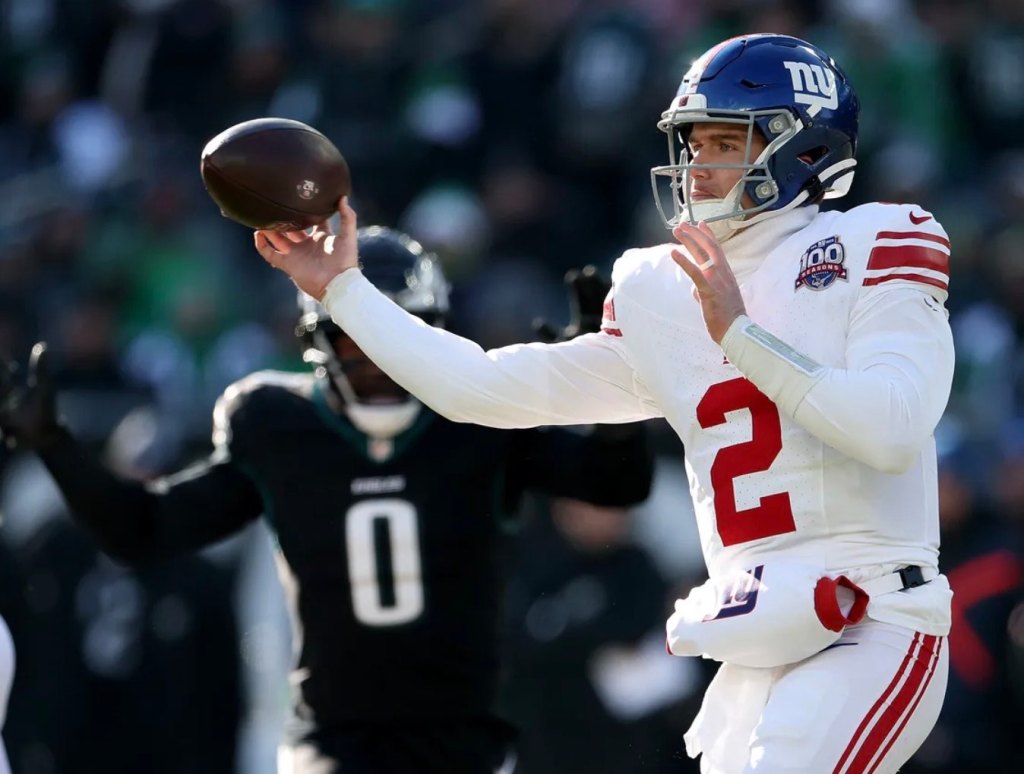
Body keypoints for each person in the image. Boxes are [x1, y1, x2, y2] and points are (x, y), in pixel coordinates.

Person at [253, 33, 955, 773]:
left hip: (873, 617)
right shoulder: (663, 290)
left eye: (726, 141)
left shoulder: (874, 241)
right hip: (759, 637)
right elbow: (477, 388)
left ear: (804, 148)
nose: (698, 165)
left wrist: (740, 335)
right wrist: (343, 291)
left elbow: (892, 430)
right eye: (693, 143)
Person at [0, 227, 653, 774]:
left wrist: (603, 395)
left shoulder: (478, 422)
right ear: (316, 342)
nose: (376, 359)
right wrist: (56, 446)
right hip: (333, 743)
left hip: (466, 739)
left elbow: (616, 484)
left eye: (395, 336)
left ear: (431, 334)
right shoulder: (278, 425)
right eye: (354, 338)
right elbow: (144, 531)